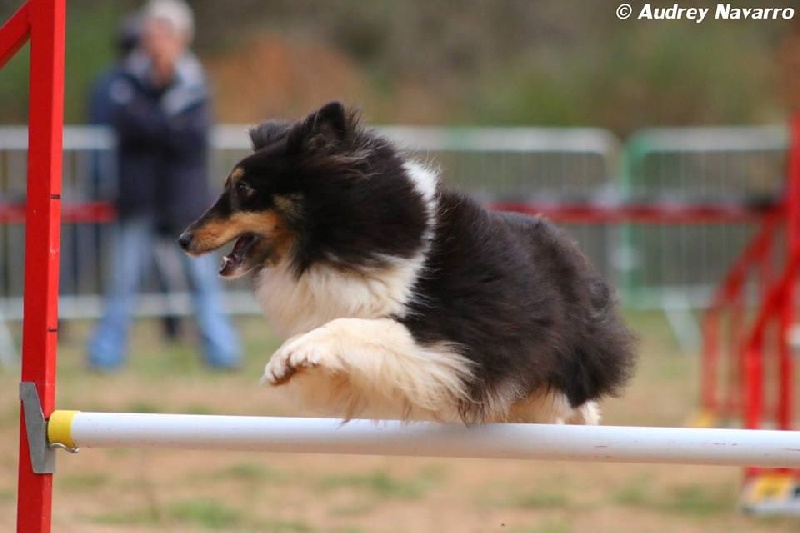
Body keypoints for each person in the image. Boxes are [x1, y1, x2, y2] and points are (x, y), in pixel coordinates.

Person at [87, 0, 241, 371]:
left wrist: (152, 126)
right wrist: (166, 126)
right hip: (137, 199)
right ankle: (105, 356)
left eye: (162, 34)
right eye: (150, 33)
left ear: (181, 38)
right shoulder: (122, 79)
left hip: (184, 203)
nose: (154, 41)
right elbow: (126, 126)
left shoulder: (196, 82)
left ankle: (222, 354)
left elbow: (191, 138)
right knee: (122, 284)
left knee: (203, 284)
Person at [87, 13, 185, 342]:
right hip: (134, 192)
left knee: (177, 270)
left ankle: (187, 334)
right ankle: (107, 347)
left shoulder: (175, 79)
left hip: (169, 195)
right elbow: (130, 124)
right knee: (125, 275)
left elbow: (185, 132)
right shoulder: (121, 82)